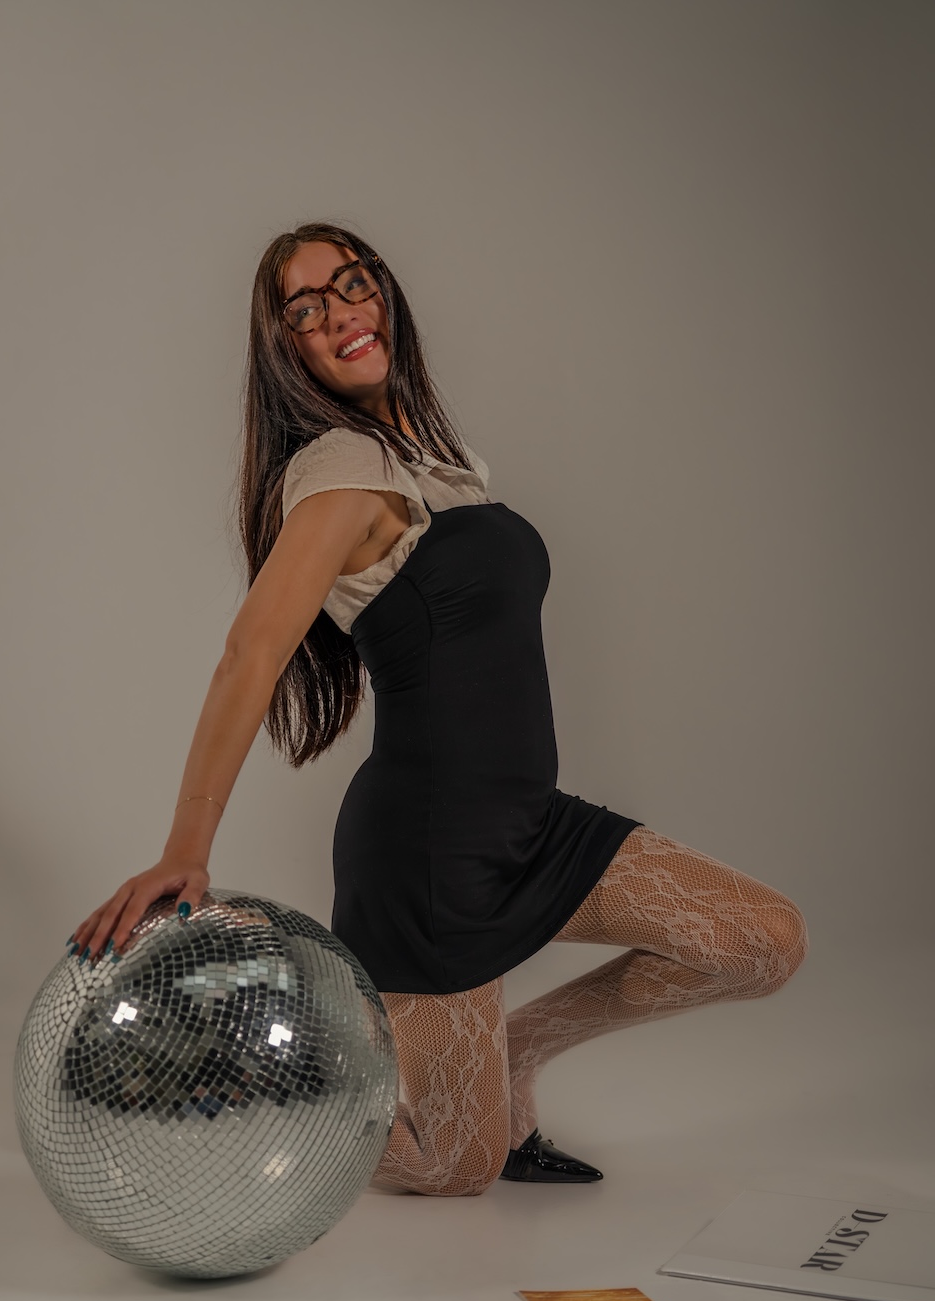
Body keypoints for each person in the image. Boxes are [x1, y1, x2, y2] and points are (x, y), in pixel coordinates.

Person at [67, 220, 809, 1197]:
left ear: (384, 294)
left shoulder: (421, 457)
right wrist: (185, 850)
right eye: (305, 309)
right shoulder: (341, 467)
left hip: (532, 827)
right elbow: (252, 651)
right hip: (430, 862)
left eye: (352, 284)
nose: (340, 314)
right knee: (453, 1169)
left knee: (760, 943)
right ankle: (278, 1100)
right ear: (284, 348)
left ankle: (512, 1056)